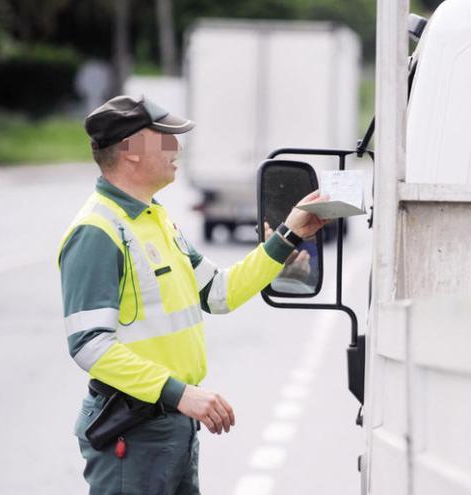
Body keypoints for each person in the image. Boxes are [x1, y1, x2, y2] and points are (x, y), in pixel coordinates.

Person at [58, 95, 326, 494]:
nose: (176, 147)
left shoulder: (156, 218)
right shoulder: (97, 230)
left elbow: (218, 293)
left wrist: (286, 238)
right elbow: (89, 345)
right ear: (130, 151)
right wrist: (180, 394)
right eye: (164, 137)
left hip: (172, 427)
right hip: (133, 434)